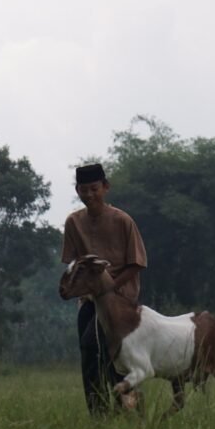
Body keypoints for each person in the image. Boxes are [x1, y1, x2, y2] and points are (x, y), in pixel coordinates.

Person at [61, 163, 148, 415]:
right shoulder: (73, 222)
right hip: (89, 301)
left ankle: (126, 405)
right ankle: (99, 413)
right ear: (77, 190)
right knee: (89, 356)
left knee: (99, 347)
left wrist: (106, 289)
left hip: (121, 301)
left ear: (105, 188)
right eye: (83, 190)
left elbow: (136, 264)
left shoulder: (122, 220)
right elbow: (73, 262)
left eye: (94, 189)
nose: (89, 194)